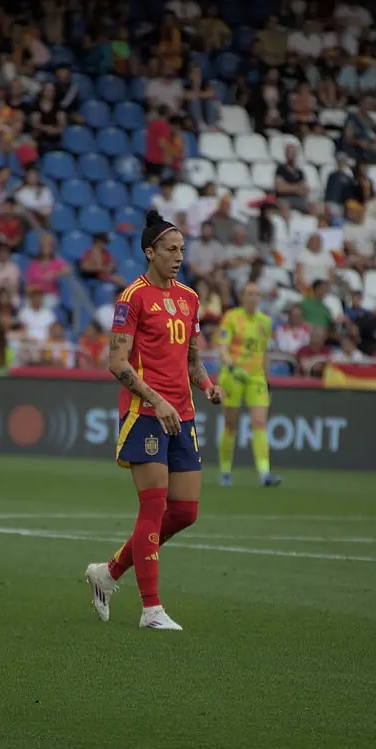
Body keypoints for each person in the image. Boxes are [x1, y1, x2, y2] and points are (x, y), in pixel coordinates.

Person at [84, 211, 224, 631]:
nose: (179, 256)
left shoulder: (189, 298)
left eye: (182, 249)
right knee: (154, 505)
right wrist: (155, 400)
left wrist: (208, 385)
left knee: (185, 511)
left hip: (182, 413)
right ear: (150, 252)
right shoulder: (132, 297)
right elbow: (116, 361)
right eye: (171, 249)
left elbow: (192, 358)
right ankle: (151, 609)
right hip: (145, 413)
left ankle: (107, 573)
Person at [216, 281, 281, 487]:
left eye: (257, 294)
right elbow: (223, 348)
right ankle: (225, 470)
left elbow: (265, 351)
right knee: (230, 425)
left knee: (260, 423)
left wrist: (267, 376)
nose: (254, 298)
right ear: (242, 297)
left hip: (256, 377)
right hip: (233, 375)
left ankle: (264, 473)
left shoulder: (265, 322)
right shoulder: (231, 318)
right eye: (250, 294)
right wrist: (232, 367)